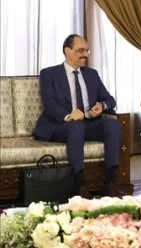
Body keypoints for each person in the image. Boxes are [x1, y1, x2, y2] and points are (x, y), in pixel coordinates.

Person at [34, 34, 123, 199]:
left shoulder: (91, 74)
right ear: (67, 51)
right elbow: (49, 102)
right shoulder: (49, 74)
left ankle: (110, 183)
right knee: (76, 127)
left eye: (87, 50)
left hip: (88, 124)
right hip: (60, 126)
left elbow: (110, 99)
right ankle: (79, 185)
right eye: (80, 50)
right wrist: (68, 115)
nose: (85, 54)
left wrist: (101, 106)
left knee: (112, 125)